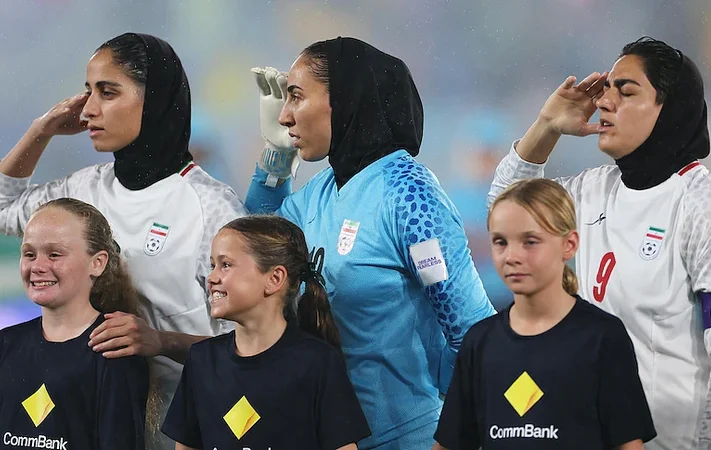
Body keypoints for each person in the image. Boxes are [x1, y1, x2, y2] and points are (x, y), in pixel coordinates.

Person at [0, 32, 247, 449]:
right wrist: (41, 130)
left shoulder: (212, 208)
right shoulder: (83, 190)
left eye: (108, 92)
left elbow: (252, 347)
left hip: (189, 433)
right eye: (88, 92)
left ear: (153, 100)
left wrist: (162, 342)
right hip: (91, 431)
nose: (88, 110)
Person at [486, 37, 711, 450]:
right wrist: (546, 125)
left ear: (669, 108)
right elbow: (505, 208)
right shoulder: (592, 191)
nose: (603, 102)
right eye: (605, 90)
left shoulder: (707, 209)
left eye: (626, 92)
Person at [245, 37, 496, 449]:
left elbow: (473, 332)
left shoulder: (409, 196)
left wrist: (454, 436)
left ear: (344, 99)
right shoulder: (319, 193)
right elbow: (254, 250)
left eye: (297, 97)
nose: (285, 115)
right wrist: (276, 157)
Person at [433, 179, 656, 450]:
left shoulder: (602, 338)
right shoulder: (480, 342)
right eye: (500, 242)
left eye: (530, 242)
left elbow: (628, 444)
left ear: (569, 244)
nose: (512, 256)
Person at [161, 215, 370, 450]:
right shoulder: (202, 360)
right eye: (212, 265)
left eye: (226, 265)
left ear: (274, 278)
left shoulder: (317, 363)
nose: (211, 277)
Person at [0, 198, 152, 450]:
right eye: (29, 254)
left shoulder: (113, 348)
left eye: (54, 254)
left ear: (97, 263)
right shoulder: (3, 345)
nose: (38, 266)